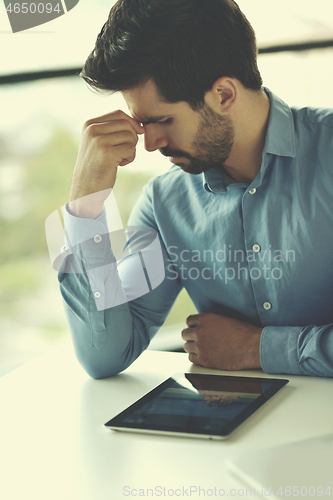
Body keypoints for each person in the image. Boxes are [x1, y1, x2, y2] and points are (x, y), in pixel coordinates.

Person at [58, 0, 333, 379]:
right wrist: (85, 207)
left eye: (162, 120)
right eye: (142, 124)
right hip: (240, 436)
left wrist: (255, 347)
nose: (150, 143)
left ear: (223, 94)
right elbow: (104, 354)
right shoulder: (164, 204)